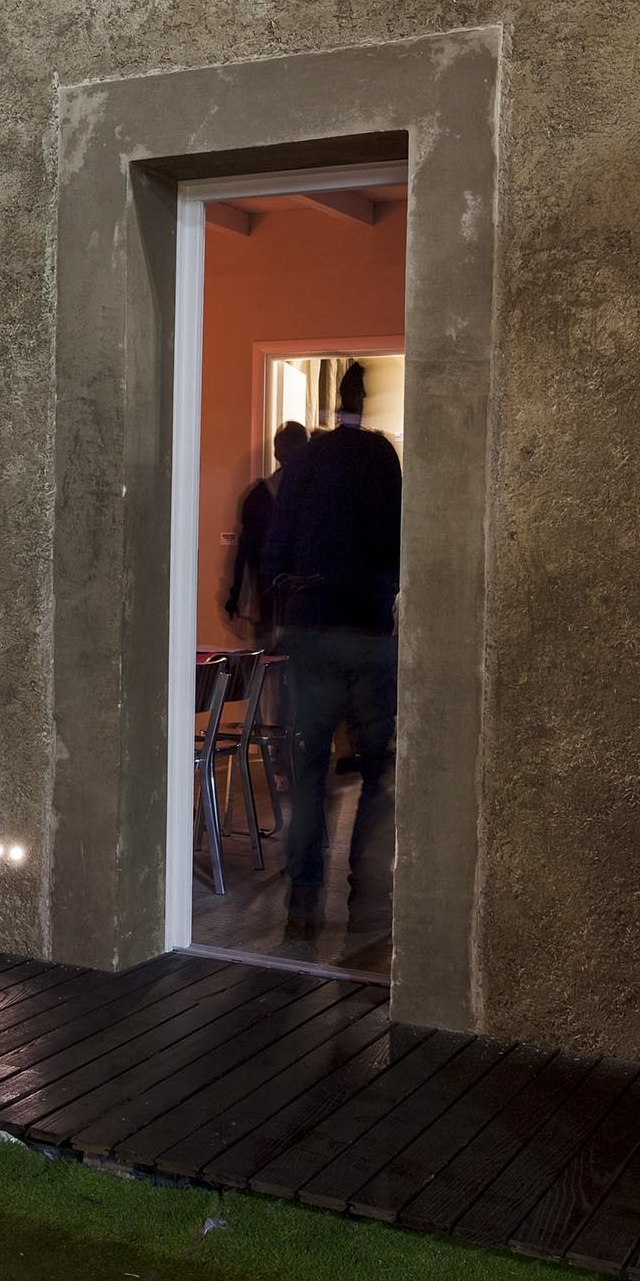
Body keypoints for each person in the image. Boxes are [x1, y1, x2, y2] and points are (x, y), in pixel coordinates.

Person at [263, 361, 402, 944]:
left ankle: (303, 901)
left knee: (309, 772)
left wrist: (288, 595)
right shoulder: (384, 458)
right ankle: (368, 897)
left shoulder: (307, 461)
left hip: (313, 626)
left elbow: (275, 550)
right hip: (368, 627)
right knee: (377, 771)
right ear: (363, 404)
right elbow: (401, 543)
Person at [224, 421, 308, 637]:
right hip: (305, 600)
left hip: (267, 595)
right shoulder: (316, 495)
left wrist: (235, 594)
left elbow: (245, 552)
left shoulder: (259, 495)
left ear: (277, 452)